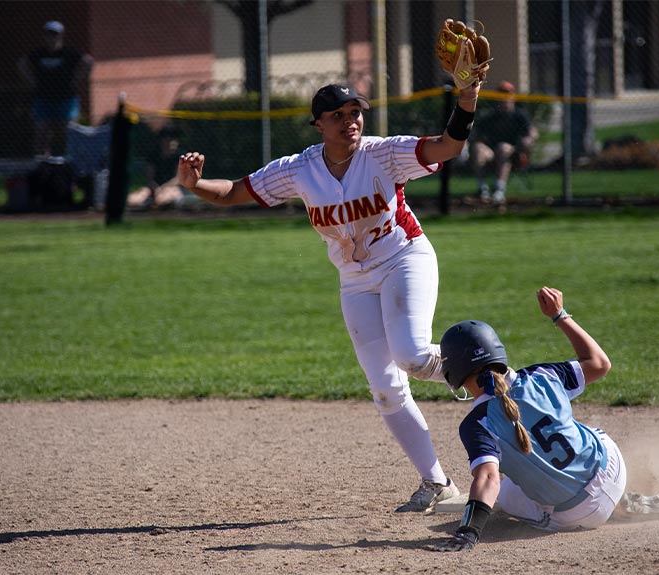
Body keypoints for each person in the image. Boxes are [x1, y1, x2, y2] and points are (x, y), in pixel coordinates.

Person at [176, 81, 483, 512]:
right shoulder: (299, 169)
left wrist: (466, 101)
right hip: (355, 282)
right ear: (318, 124)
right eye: (338, 115)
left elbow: (448, 147)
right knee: (384, 388)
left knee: (412, 356)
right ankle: (437, 483)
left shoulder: (382, 153)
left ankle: (486, 375)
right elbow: (233, 192)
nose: (350, 122)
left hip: (404, 260)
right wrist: (195, 184)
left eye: (355, 112)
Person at [427, 286, 659, 552]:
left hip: (581, 514)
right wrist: (560, 315)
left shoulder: (476, 424)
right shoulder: (543, 376)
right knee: (573, 428)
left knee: (505, 492)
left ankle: (611, 507)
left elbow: (488, 478)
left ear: (454, 373)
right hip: (613, 468)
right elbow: (600, 363)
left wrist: (468, 532)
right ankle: (620, 497)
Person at [18, 21, 94, 157]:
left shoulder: (69, 52)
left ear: (61, 36)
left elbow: (88, 61)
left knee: (68, 131)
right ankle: (43, 161)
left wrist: (77, 78)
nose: (52, 38)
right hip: (43, 97)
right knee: (42, 131)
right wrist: (32, 80)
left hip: (66, 98)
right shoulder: (39, 53)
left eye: (55, 34)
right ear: (44, 36)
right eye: (49, 34)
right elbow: (22, 64)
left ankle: (71, 159)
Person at [468, 81, 538, 205]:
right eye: (501, 95)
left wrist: (528, 141)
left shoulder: (519, 115)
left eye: (507, 95)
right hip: (492, 154)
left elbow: (532, 132)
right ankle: (482, 189)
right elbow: (475, 135)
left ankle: (499, 190)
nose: (504, 98)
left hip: (513, 154)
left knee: (503, 148)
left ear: (513, 97)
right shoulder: (490, 116)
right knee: (478, 148)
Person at [128, 126, 187, 209]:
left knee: (162, 199)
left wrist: (163, 187)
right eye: (167, 138)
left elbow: (178, 179)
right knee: (133, 200)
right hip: (154, 187)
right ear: (161, 140)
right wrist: (154, 187)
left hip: (172, 187)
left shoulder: (180, 156)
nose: (171, 141)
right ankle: (149, 202)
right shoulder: (154, 155)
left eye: (173, 139)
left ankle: (155, 203)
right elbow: (150, 178)